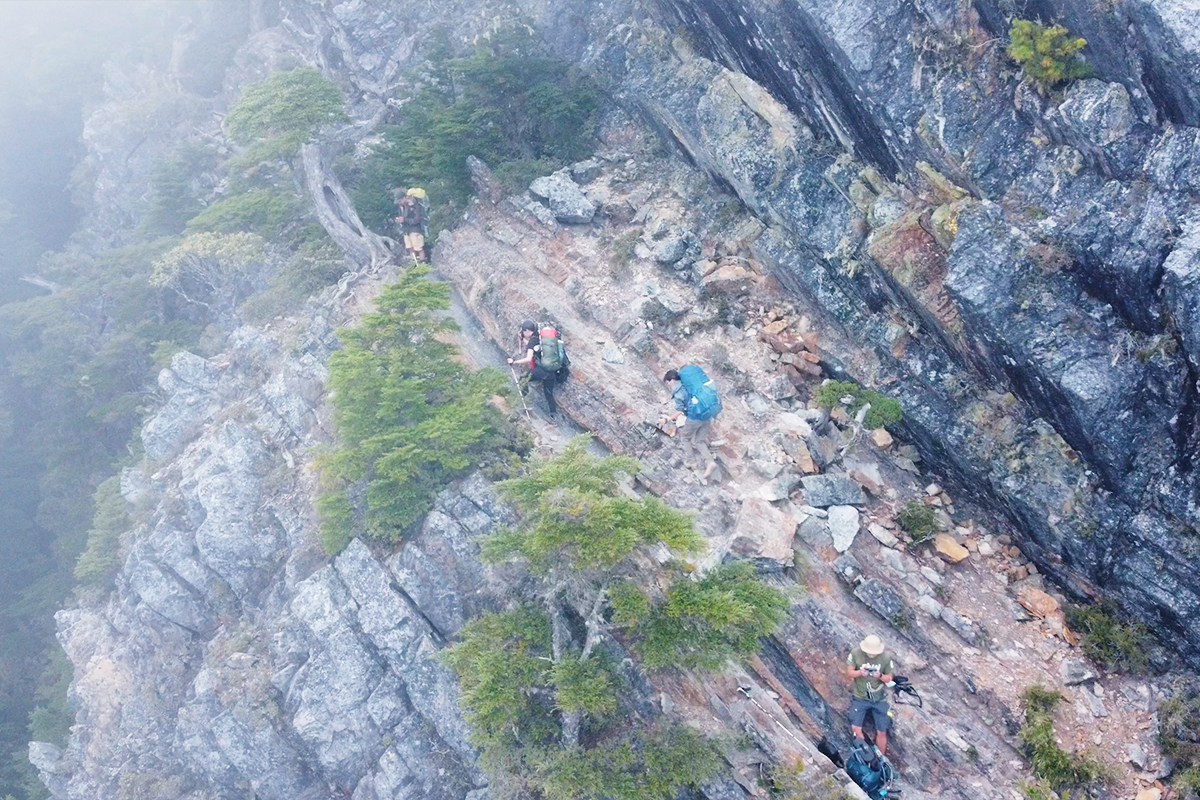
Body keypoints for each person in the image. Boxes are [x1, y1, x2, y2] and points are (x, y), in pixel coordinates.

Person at [663, 366, 722, 483]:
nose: (668, 385)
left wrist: (669, 418)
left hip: (695, 417)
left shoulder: (679, 391)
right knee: (699, 440)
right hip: (706, 414)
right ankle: (710, 462)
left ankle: (691, 462)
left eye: (668, 383)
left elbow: (680, 410)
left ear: (672, 380)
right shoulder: (689, 386)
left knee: (685, 438)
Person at [845, 635, 895, 755]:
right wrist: (861, 673)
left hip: (879, 698)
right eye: (869, 652)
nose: (871, 655)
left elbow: (889, 678)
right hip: (860, 697)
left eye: (874, 653)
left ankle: (881, 759)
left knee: (882, 731)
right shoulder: (856, 653)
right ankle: (865, 755)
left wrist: (880, 676)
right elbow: (850, 673)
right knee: (856, 729)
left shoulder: (886, 657)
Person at [507, 320, 565, 417]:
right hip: (552, 371)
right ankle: (553, 414)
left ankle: (523, 398)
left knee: (523, 379)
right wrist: (524, 341)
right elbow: (535, 347)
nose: (523, 333)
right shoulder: (541, 337)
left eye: (523, 331)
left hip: (541, 370)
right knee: (548, 393)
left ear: (527, 331)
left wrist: (514, 362)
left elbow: (529, 358)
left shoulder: (532, 341)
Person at [396, 187, 427, 262]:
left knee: (419, 248)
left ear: (404, 198)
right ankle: (414, 263)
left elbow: (417, 220)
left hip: (416, 230)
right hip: (407, 231)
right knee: (411, 248)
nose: (400, 202)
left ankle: (423, 264)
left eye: (400, 200)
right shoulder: (403, 207)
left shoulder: (415, 206)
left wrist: (404, 220)